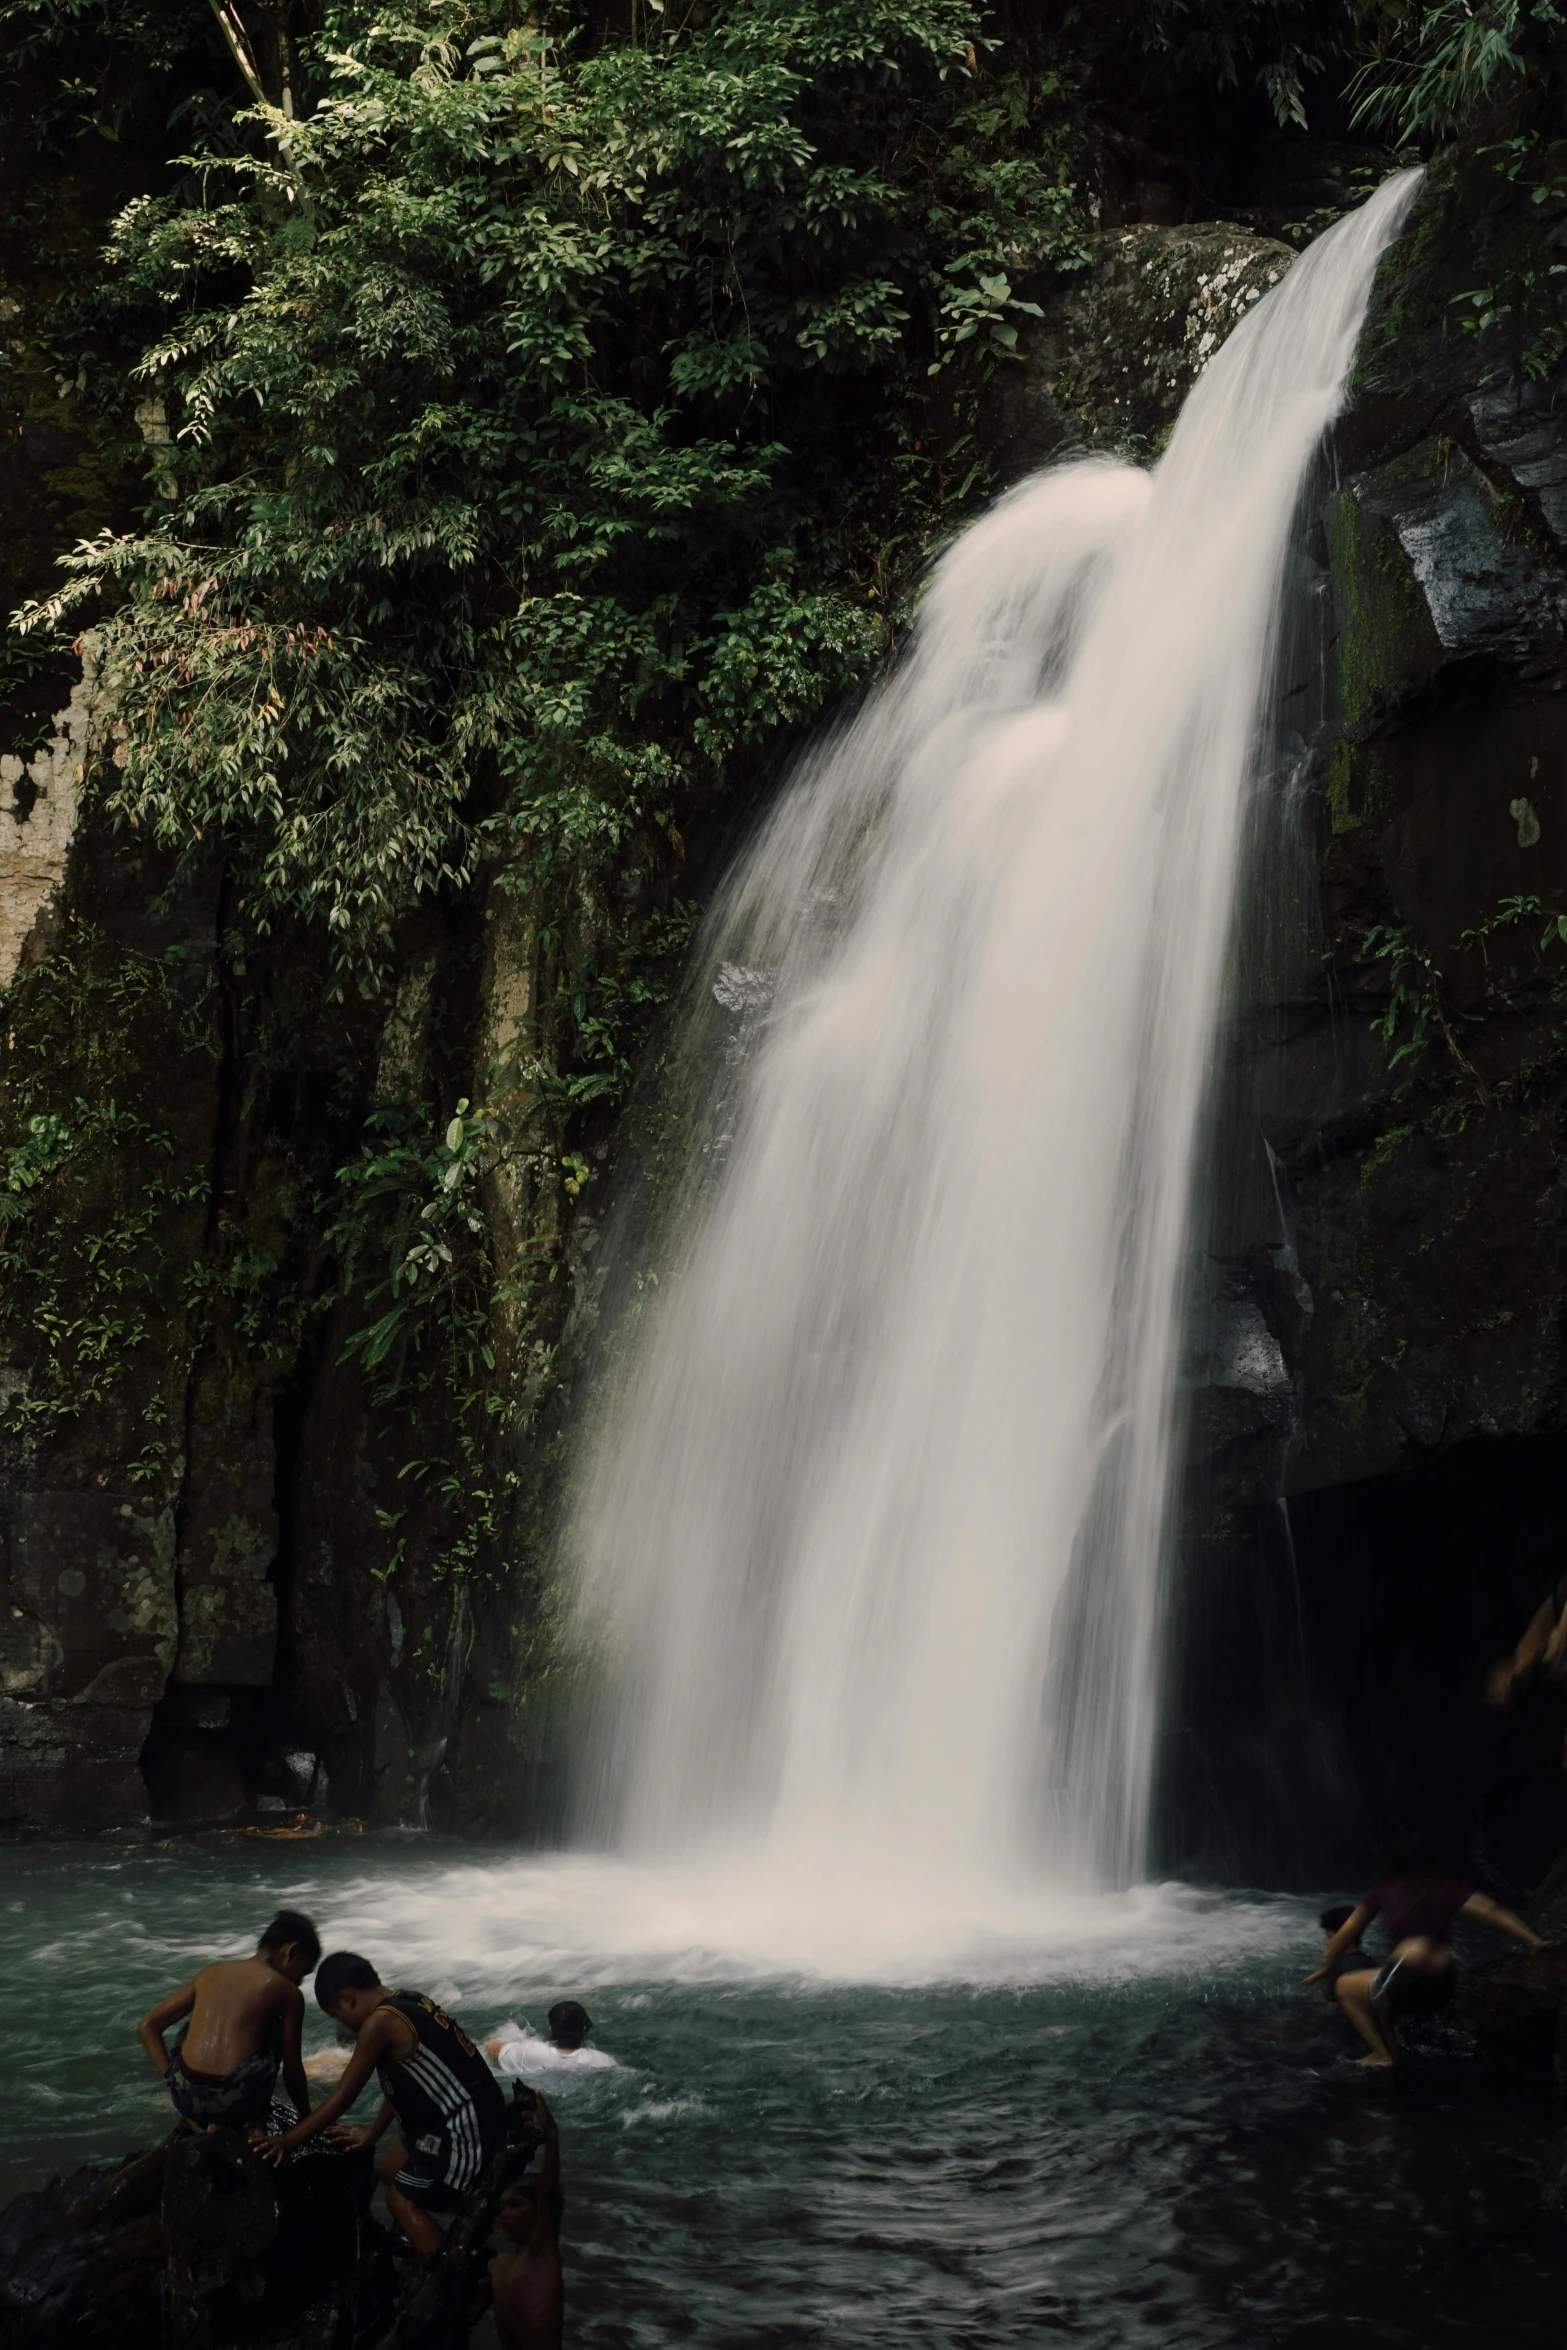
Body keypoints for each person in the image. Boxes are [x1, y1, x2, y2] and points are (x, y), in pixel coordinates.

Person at [257, 1950, 507, 2256]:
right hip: (472, 2114)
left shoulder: (379, 2023)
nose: (346, 2027)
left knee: (399, 2200)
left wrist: (288, 2140)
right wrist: (371, 2136)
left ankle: (456, 2280)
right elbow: (401, 2087)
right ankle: (449, 2233)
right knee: (390, 2169)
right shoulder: (408, 1999)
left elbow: (343, 2096)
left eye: (338, 2016)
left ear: (347, 1999)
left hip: (467, 2129)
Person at [1307, 1848, 1545, 2064]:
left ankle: (1381, 2055)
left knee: (1346, 1987)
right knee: (1384, 1987)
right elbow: (1494, 1913)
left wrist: (1326, 1968)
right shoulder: (1447, 1886)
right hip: (1443, 1981)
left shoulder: (1386, 1888)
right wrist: (1534, 1942)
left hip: (1407, 1973)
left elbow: (1344, 1934)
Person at [137, 1909, 319, 2128]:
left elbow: (147, 2026)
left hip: (184, 2098)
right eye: (303, 1973)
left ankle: (208, 2122)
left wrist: (171, 2081)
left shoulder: (211, 1972)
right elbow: (292, 2070)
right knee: (276, 2029)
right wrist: (308, 2119)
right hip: (235, 2102)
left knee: (192, 2027)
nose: (299, 1982)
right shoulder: (287, 1992)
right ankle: (256, 2123)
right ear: (292, 1951)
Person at [488, 2092, 563, 2350]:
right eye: (503, 2207)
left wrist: (551, 2137)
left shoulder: (541, 2253)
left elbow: (547, 2192)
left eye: (516, 2205)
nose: (505, 2214)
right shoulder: (498, 2265)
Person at [1308, 1901, 1393, 2067]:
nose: (1327, 1943)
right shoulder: (1370, 1963)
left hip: (1351, 2040)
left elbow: (1333, 2010)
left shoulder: (1341, 1969)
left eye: (1329, 1937)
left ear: (1342, 1937)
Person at [485, 1999, 617, 2080]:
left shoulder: (529, 2052)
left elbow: (492, 2047)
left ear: (552, 2030)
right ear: (583, 2032)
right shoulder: (603, 2061)